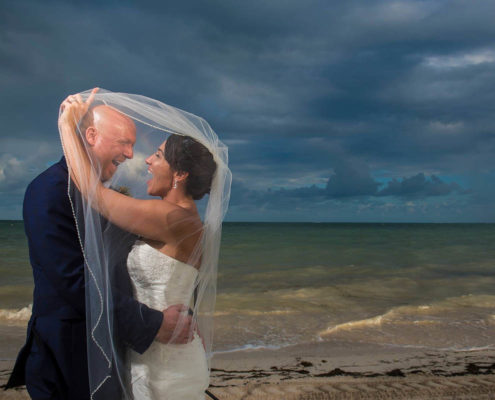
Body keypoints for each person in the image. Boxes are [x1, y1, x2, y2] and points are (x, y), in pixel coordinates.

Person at [5, 90, 194, 400]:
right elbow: (74, 282)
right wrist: (154, 323)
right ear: (91, 135)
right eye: (124, 143)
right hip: (68, 354)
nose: (131, 154)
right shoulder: (49, 191)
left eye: (133, 144)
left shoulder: (108, 198)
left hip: (111, 345)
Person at [58, 88, 231, 399]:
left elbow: (93, 194)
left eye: (159, 156)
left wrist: (68, 128)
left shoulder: (171, 219)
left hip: (164, 366)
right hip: (159, 352)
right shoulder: (188, 221)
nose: (147, 161)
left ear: (180, 174)